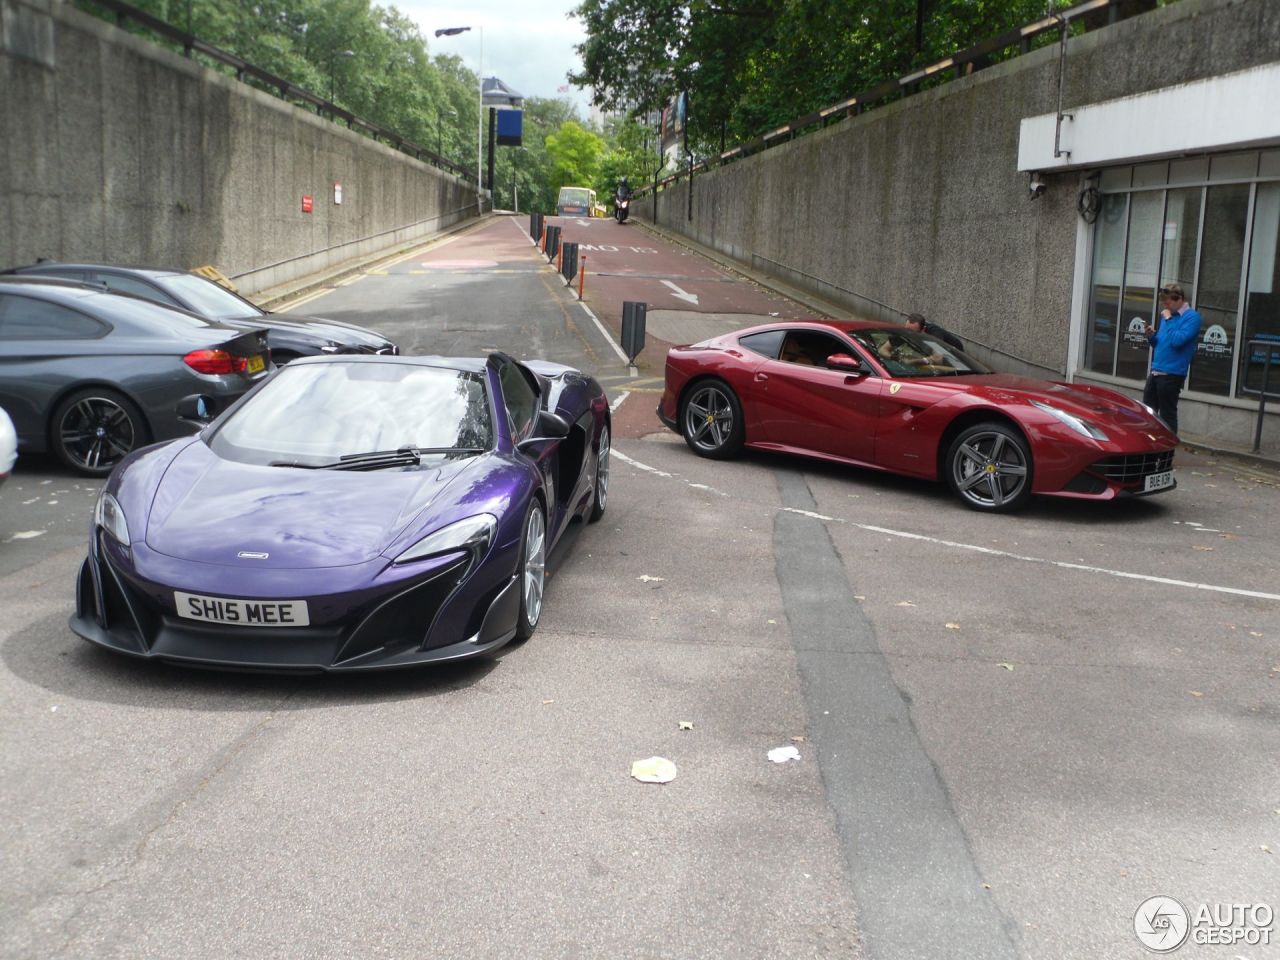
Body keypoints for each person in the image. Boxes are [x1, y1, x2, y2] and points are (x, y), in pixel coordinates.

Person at [1142, 283, 1201, 436]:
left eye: (1168, 303)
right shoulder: (1169, 317)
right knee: (1148, 413)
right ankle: (1149, 445)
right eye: (1164, 303)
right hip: (1156, 370)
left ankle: (1167, 448)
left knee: (1167, 414)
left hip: (1172, 373)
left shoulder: (1192, 317)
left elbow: (1177, 341)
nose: (1165, 307)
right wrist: (1151, 337)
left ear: (1179, 299)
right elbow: (1160, 343)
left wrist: (1168, 320)